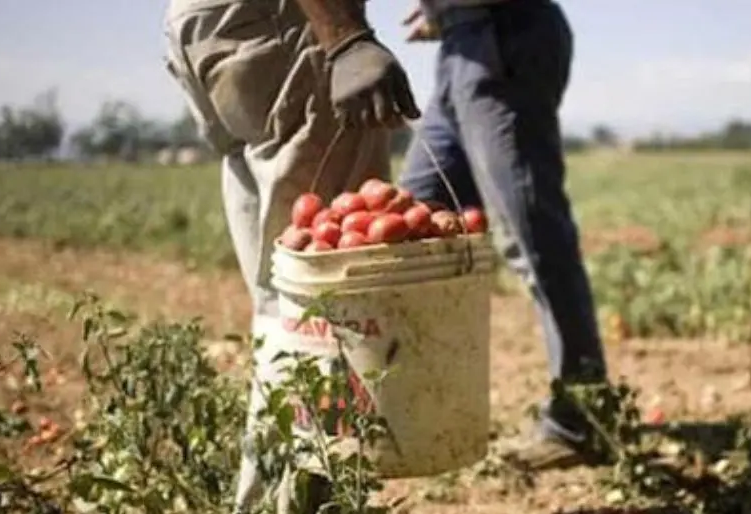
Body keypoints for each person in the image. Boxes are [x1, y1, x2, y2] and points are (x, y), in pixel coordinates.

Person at [161, 0, 420, 511]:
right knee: (330, 310)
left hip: (212, 25)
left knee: (287, 302)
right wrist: (344, 36)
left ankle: (267, 501)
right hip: (284, 25)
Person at [398, 0, 610, 472]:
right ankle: (416, 406)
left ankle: (582, 421)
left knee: (532, 235)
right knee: (410, 220)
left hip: (504, 38)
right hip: (461, 43)